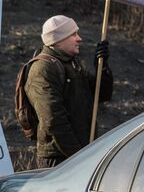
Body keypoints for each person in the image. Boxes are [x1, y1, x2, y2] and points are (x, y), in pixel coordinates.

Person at [25, 15, 113, 169]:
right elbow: (53, 120)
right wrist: (78, 156)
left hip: (80, 153)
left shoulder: (72, 64)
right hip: (58, 159)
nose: (79, 38)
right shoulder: (42, 69)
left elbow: (101, 94)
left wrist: (102, 67)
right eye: (73, 34)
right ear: (58, 40)